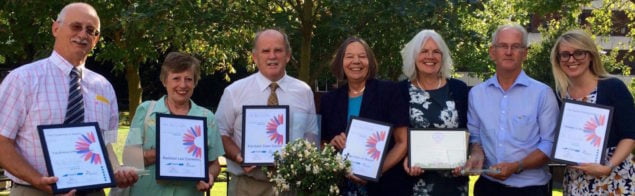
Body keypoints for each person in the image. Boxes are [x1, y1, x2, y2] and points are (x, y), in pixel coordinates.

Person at [0, 3, 137, 196]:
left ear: (96, 39)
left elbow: (106, 144)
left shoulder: (104, 87)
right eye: (76, 26)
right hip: (35, 191)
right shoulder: (23, 79)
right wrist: (37, 180)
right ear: (56, 28)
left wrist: (117, 171)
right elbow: (2, 141)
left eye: (91, 30)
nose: (83, 34)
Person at [461, 23, 559, 196]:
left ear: (525, 53)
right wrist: (476, 153)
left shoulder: (543, 94)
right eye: (503, 46)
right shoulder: (477, 94)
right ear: (493, 52)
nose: (508, 52)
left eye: (515, 46)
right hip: (487, 187)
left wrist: (517, 166)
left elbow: (549, 144)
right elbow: (476, 136)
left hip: (531, 189)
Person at [216, 29, 316, 196]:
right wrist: (240, 157)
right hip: (246, 186)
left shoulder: (304, 91)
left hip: (290, 187)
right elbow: (220, 133)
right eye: (266, 51)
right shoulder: (234, 92)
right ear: (255, 57)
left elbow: (311, 135)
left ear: (288, 55)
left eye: (278, 50)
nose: (272, 56)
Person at [320, 37, 412, 196]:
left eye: (362, 56)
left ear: (370, 61)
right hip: (340, 187)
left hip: (385, 186)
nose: (356, 61)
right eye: (349, 56)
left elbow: (403, 142)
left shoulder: (389, 92)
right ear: (341, 62)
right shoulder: (329, 100)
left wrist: (375, 171)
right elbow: (323, 143)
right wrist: (332, 145)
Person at [126, 52, 224, 195]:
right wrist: (167, 152)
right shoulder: (145, 110)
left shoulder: (207, 118)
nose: (182, 85)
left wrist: (209, 176)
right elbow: (130, 158)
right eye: (176, 78)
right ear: (165, 81)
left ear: (195, 82)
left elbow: (214, 164)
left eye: (189, 79)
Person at [550, 30, 635, 195]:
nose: (572, 59)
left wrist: (607, 167)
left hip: (614, 178)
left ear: (590, 56)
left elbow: (630, 135)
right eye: (565, 55)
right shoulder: (560, 95)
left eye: (579, 53)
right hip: (576, 181)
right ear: (558, 60)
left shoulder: (613, 87)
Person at [399, 29, 469, 195]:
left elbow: (469, 130)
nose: (430, 56)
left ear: (443, 57)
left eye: (436, 52)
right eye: (424, 51)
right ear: (414, 56)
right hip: (414, 184)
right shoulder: (400, 91)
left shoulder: (459, 89)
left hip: (453, 184)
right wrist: (406, 159)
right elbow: (397, 137)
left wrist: (465, 158)